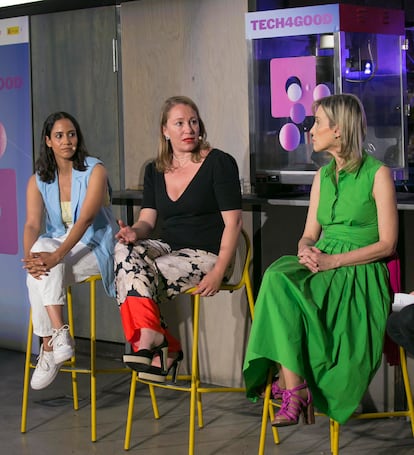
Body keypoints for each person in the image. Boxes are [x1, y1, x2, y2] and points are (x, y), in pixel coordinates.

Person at [243, 93, 398, 426]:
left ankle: (289, 386)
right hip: (323, 261)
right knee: (276, 274)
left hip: (359, 269)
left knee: (284, 285)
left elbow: (387, 244)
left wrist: (334, 262)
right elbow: (309, 233)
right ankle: (296, 386)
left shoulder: (378, 174)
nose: (310, 130)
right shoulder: (322, 178)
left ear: (339, 130)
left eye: (317, 123)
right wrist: (304, 249)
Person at [114, 95, 242, 382]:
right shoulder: (154, 169)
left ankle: (159, 343)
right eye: (180, 123)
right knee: (124, 253)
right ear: (165, 130)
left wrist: (220, 270)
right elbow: (148, 221)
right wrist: (134, 232)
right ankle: (158, 341)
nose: (189, 129)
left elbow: (233, 222)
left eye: (193, 122)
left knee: (133, 275)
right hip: (169, 248)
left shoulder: (219, 163)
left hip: (209, 254)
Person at [23, 112, 118, 390]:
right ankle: (58, 336)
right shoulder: (39, 179)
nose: (67, 141)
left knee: (42, 268)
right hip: (59, 243)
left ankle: (49, 345)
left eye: (72, 134)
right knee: (38, 258)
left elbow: (86, 219)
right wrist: (32, 258)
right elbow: (31, 223)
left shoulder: (94, 170)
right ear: (48, 141)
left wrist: (53, 258)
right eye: (60, 136)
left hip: (94, 244)